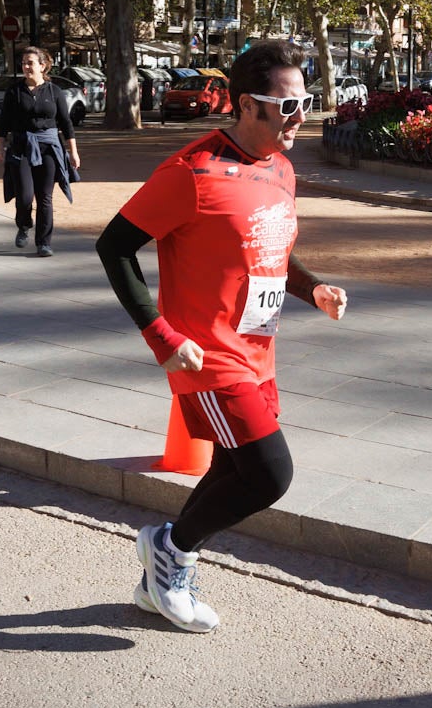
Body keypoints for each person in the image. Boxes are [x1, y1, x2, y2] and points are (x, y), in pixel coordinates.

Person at [95, 39, 348, 633]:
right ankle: (171, 550)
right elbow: (114, 246)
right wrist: (160, 335)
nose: (300, 116)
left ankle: (159, 573)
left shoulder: (282, 168)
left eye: (304, 102)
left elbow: (270, 252)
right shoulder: (191, 172)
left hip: (259, 350)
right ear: (245, 106)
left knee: (234, 471)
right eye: (285, 106)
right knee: (269, 474)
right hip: (207, 356)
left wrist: (313, 289)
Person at [0, 47, 81, 256]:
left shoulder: (54, 91)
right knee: (25, 196)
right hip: (21, 147)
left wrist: (73, 152)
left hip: (49, 148)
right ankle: (24, 225)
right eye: (24, 63)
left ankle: (44, 242)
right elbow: (3, 123)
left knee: (45, 196)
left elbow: (66, 123)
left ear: (42, 66)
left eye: (31, 63)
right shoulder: (14, 91)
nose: (26, 67)